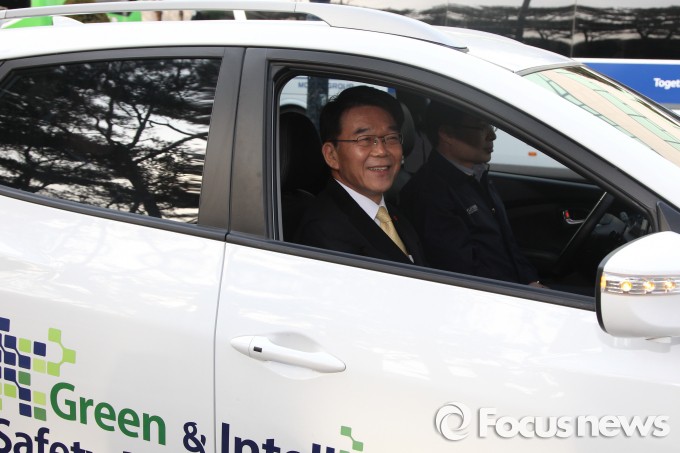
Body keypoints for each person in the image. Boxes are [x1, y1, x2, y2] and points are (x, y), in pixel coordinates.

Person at [399, 101, 543, 286]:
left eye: (491, 126)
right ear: (447, 134)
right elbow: (461, 271)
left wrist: (532, 280)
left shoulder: (476, 174)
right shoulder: (430, 194)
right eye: (481, 127)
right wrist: (524, 292)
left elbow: (508, 245)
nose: (492, 136)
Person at [294, 86, 426, 266]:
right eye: (365, 140)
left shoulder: (394, 214)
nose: (381, 151)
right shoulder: (324, 231)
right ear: (332, 155)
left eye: (391, 138)